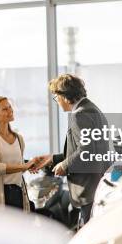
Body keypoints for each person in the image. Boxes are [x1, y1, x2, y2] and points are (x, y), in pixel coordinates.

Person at [32, 74, 109, 227]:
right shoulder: (92, 108)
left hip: (87, 187)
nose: (57, 101)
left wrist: (65, 165)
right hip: (95, 183)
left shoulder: (79, 114)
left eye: (56, 97)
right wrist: (53, 158)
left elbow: (85, 150)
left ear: (65, 96)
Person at [0, 96, 35, 211]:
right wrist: (24, 166)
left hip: (18, 193)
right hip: (2, 193)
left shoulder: (19, 138)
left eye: (10, 107)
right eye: (4, 109)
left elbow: (19, 167)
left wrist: (30, 165)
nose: (10, 110)